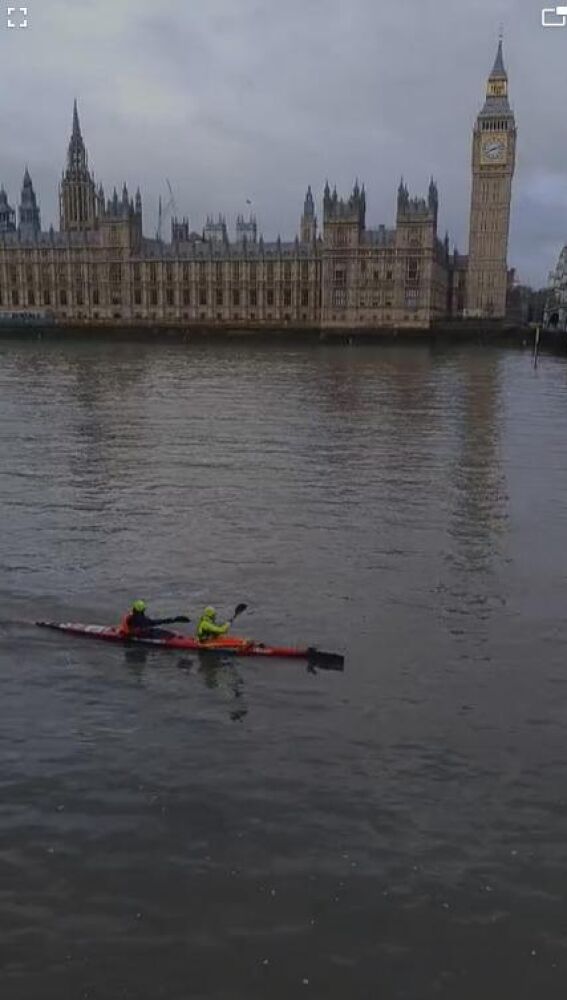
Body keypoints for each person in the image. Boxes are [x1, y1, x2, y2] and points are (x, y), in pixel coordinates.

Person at [119, 600, 189, 639]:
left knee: (159, 631)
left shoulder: (132, 616)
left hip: (139, 632)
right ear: (143, 609)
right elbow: (154, 622)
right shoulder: (140, 619)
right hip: (139, 635)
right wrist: (174, 619)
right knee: (167, 634)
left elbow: (151, 623)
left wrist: (174, 619)